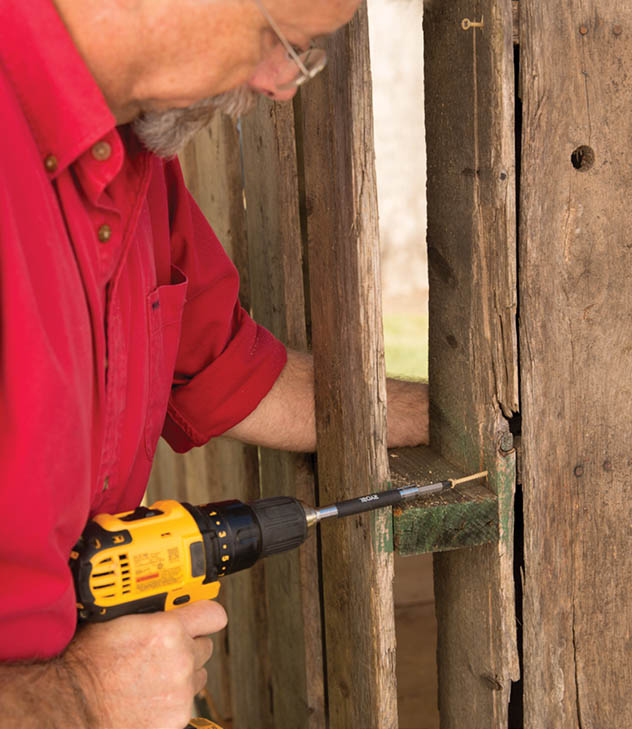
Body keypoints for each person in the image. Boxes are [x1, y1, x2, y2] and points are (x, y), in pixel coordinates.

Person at [0, 0, 428, 726]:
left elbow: (237, 376)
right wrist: (80, 698)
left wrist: (470, 413)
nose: (279, 85)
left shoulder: (132, 162)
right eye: (279, 42)